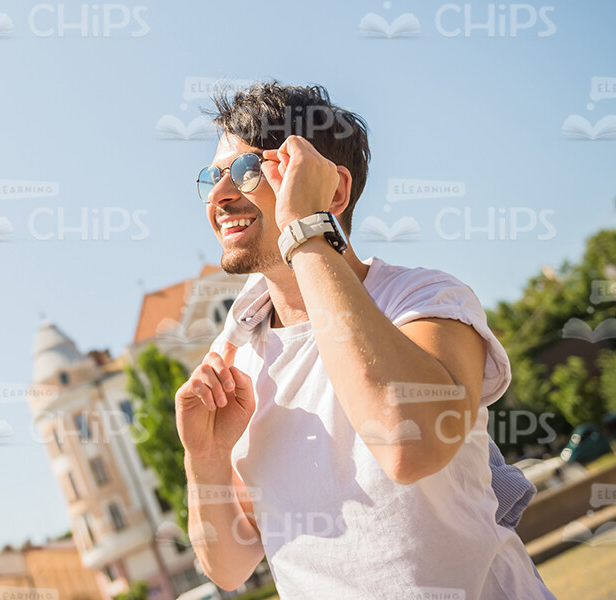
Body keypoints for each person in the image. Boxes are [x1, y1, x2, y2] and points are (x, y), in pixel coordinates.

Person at [175, 81, 555, 599]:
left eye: (247, 171)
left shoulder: (424, 300)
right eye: (211, 177)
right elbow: (228, 566)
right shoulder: (236, 356)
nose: (220, 194)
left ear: (332, 190)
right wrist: (205, 456)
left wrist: (305, 229)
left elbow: (408, 444)